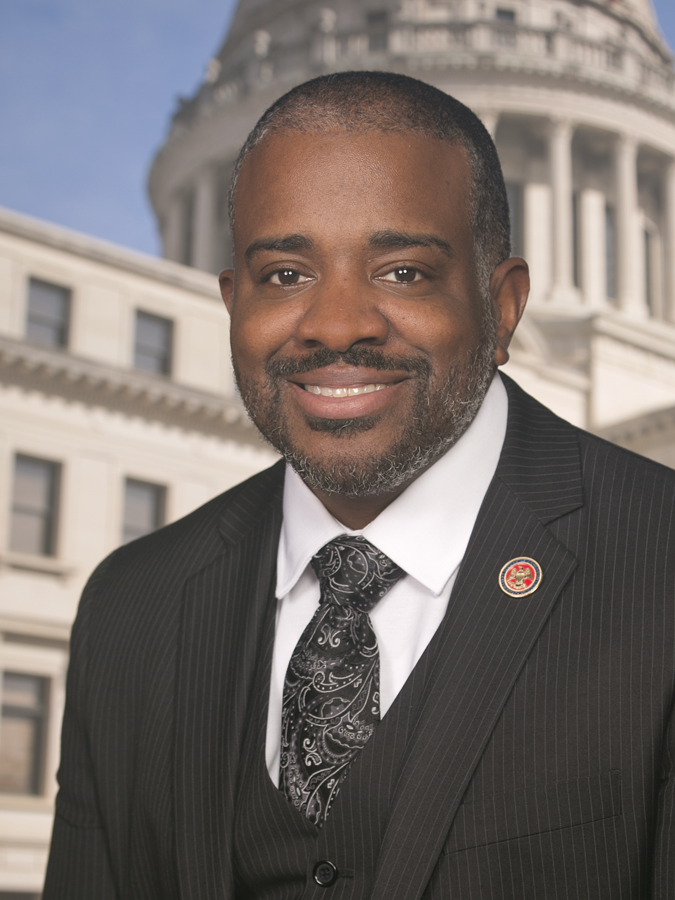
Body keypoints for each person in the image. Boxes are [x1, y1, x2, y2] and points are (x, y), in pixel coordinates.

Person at [44, 72, 675, 899]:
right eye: (284, 275)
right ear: (231, 305)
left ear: (502, 305)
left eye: (403, 271)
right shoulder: (132, 604)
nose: (337, 325)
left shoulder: (658, 564)